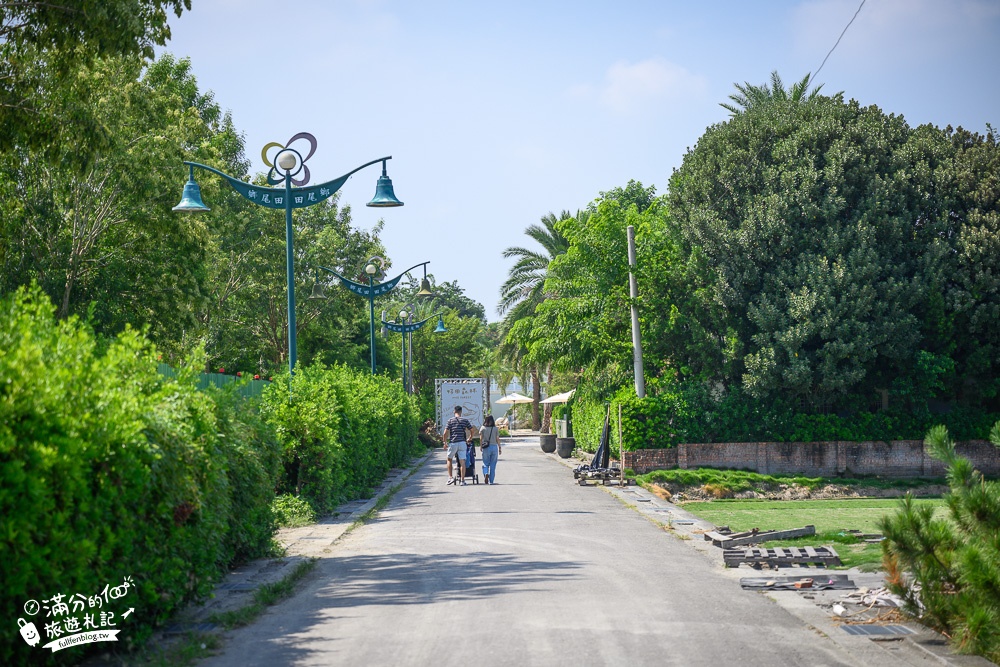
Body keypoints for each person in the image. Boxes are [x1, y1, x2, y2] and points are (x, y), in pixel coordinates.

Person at [441, 405, 473, 485]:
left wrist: (444, 442)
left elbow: (445, 433)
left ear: (454, 411)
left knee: (449, 459)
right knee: (462, 461)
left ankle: (450, 477)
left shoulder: (450, 420)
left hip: (453, 442)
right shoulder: (465, 420)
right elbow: (472, 430)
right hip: (462, 442)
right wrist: (470, 438)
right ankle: (462, 480)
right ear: (461, 412)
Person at [479, 414, 502, 484]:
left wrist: (481, 446)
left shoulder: (483, 428)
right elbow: (497, 438)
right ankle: (491, 481)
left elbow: (481, 438)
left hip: (486, 447)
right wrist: (499, 447)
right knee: (493, 464)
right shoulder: (495, 429)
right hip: (494, 447)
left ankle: (486, 473)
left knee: (485, 463)